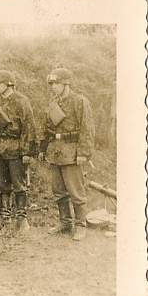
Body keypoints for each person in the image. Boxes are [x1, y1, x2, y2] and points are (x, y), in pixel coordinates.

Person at [38, 68, 94, 241]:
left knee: (76, 191)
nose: (53, 87)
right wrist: (42, 148)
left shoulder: (80, 101)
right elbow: (47, 128)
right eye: (51, 84)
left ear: (66, 84)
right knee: (59, 190)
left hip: (72, 151)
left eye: (56, 83)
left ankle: (80, 226)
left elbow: (87, 128)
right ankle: (65, 223)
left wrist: (84, 153)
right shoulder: (53, 103)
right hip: (55, 151)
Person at [0, 70, 36, 233]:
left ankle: (22, 218)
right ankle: (5, 217)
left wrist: (27, 152)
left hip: (15, 149)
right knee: (3, 184)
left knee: (19, 185)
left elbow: (28, 128)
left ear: (9, 84)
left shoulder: (22, 101)